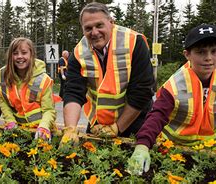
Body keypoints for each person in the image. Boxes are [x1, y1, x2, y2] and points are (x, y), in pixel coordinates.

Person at [127, 24, 216, 175]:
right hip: (174, 149)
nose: (208, 58)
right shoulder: (175, 84)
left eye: (214, 51)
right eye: (200, 52)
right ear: (187, 54)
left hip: (212, 151)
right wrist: (143, 145)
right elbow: (157, 116)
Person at [60, 2, 155, 144]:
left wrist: (117, 128)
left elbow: (142, 91)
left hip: (136, 121)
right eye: (88, 28)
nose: (94, 32)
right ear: (82, 30)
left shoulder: (135, 42)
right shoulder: (78, 53)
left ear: (111, 22)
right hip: (98, 124)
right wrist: (70, 129)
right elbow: (73, 92)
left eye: (99, 25)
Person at [0, 37, 56, 141]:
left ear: (31, 54)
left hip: (41, 133)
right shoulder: (2, 76)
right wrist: (10, 121)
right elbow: (3, 100)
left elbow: (49, 110)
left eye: (24, 53)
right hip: (17, 131)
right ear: (10, 56)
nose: (19, 57)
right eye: (15, 53)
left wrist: (44, 127)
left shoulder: (43, 79)